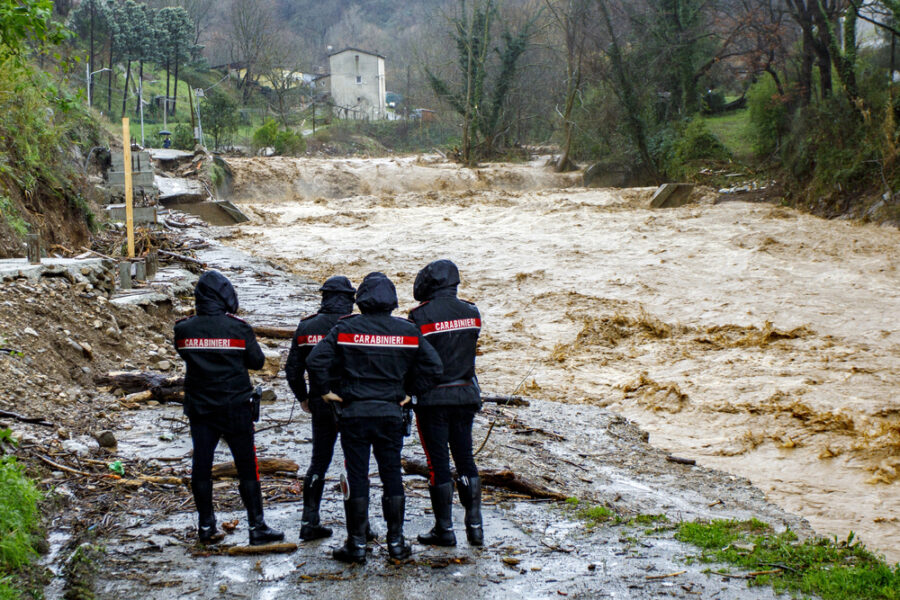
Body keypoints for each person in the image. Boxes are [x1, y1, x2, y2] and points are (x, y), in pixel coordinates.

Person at [307, 272, 443, 563]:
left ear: (361, 300)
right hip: (390, 413)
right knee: (391, 474)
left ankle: (356, 545)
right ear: (392, 300)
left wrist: (324, 391)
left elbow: (315, 360)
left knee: (357, 476)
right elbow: (434, 366)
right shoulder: (407, 330)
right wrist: (411, 392)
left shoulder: (345, 329)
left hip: (354, 414)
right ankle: (396, 544)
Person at [174, 270, 284, 546]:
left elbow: (184, 354)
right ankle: (257, 526)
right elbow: (257, 362)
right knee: (248, 467)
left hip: (200, 409)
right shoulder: (238, 328)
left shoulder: (184, 329)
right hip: (236, 407)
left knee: (201, 465)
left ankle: (206, 527)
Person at [408, 259, 484, 547]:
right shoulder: (473, 312)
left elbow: (417, 362)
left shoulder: (419, 317)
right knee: (466, 458)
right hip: (466, 393)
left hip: (433, 400)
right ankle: (475, 529)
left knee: (437, 463)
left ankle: (444, 529)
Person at [284, 276, 356, 541]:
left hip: (320, 403)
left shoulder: (306, 327)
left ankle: (309, 522)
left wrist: (303, 397)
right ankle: (360, 528)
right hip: (353, 402)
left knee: (318, 462)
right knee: (355, 464)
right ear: (351, 299)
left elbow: (292, 370)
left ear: (323, 297)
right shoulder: (357, 326)